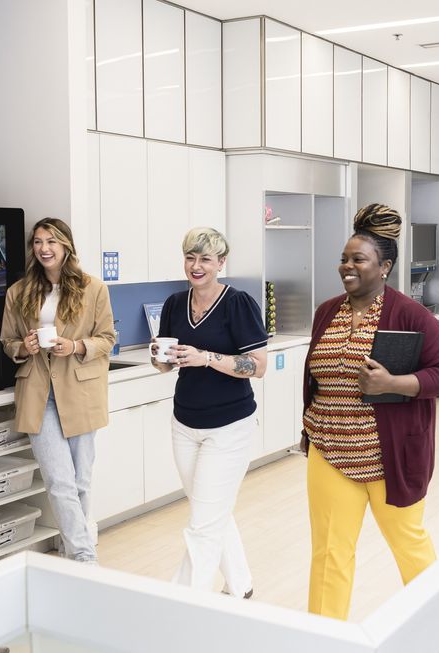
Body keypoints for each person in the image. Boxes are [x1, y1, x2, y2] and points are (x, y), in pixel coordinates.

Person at [301, 203, 439, 620]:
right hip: (330, 452)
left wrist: (393, 384)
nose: (346, 267)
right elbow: (315, 380)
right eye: (344, 259)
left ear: (384, 266)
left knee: (409, 547)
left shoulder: (412, 316)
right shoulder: (327, 313)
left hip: (388, 458)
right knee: (329, 554)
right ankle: (322, 639)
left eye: (358, 260)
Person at [151, 227, 267, 599]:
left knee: (203, 523)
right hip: (185, 423)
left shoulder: (238, 303)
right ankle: (241, 586)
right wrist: (160, 358)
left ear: (221, 263)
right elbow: (168, 367)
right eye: (190, 257)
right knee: (209, 512)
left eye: (205, 259)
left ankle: (184, 604)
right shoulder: (173, 304)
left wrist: (207, 358)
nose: (196, 266)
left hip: (229, 426)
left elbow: (258, 365)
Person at [0, 217, 115, 564]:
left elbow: (107, 339)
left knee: (80, 482)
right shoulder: (18, 292)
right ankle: (84, 557)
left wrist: (76, 346)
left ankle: (71, 550)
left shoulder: (93, 288)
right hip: (39, 392)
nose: (44, 248)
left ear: (66, 245)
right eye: (38, 241)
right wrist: (26, 347)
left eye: (52, 241)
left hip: (79, 392)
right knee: (59, 481)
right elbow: (8, 342)